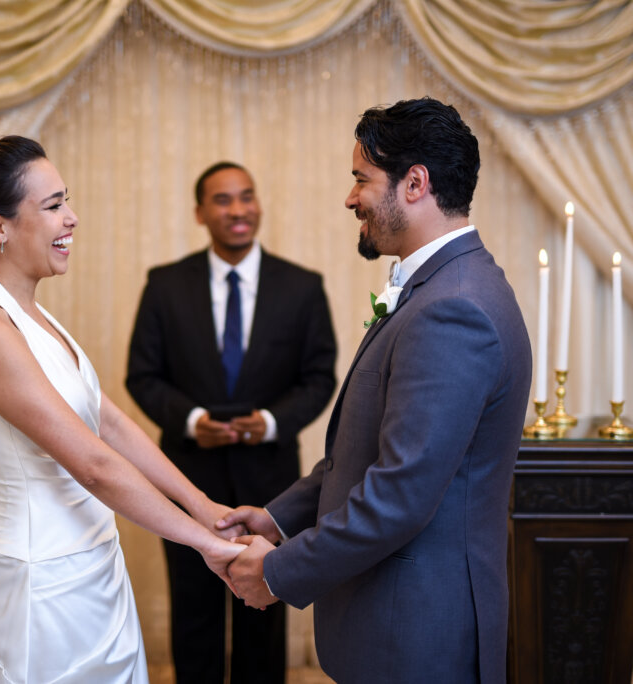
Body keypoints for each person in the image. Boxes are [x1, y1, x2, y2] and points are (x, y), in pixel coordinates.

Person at [219, 98, 533, 684]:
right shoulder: (440, 288)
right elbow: (362, 453)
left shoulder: (454, 309)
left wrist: (277, 571)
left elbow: (398, 495)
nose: (350, 197)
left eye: (361, 178)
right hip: (395, 623)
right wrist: (276, 519)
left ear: (415, 183)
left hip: (415, 633)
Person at [0, 135, 245, 683]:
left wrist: (204, 505)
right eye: (52, 206)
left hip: (95, 569)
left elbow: (110, 422)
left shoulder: (36, 317)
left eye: (65, 201)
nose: (71, 218)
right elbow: (92, 464)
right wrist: (207, 545)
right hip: (39, 586)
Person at [126, 162, 337, 684]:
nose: (238, 209)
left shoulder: (303, 287)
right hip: (188, 478)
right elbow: (142, 375)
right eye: (223, 200)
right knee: (193, 612)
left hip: (271, 485)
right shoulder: (165, 284)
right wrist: (192, 420)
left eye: (247, 197)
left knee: (262, 614)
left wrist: (269, 422)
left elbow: (318, 377)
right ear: (200, 212)